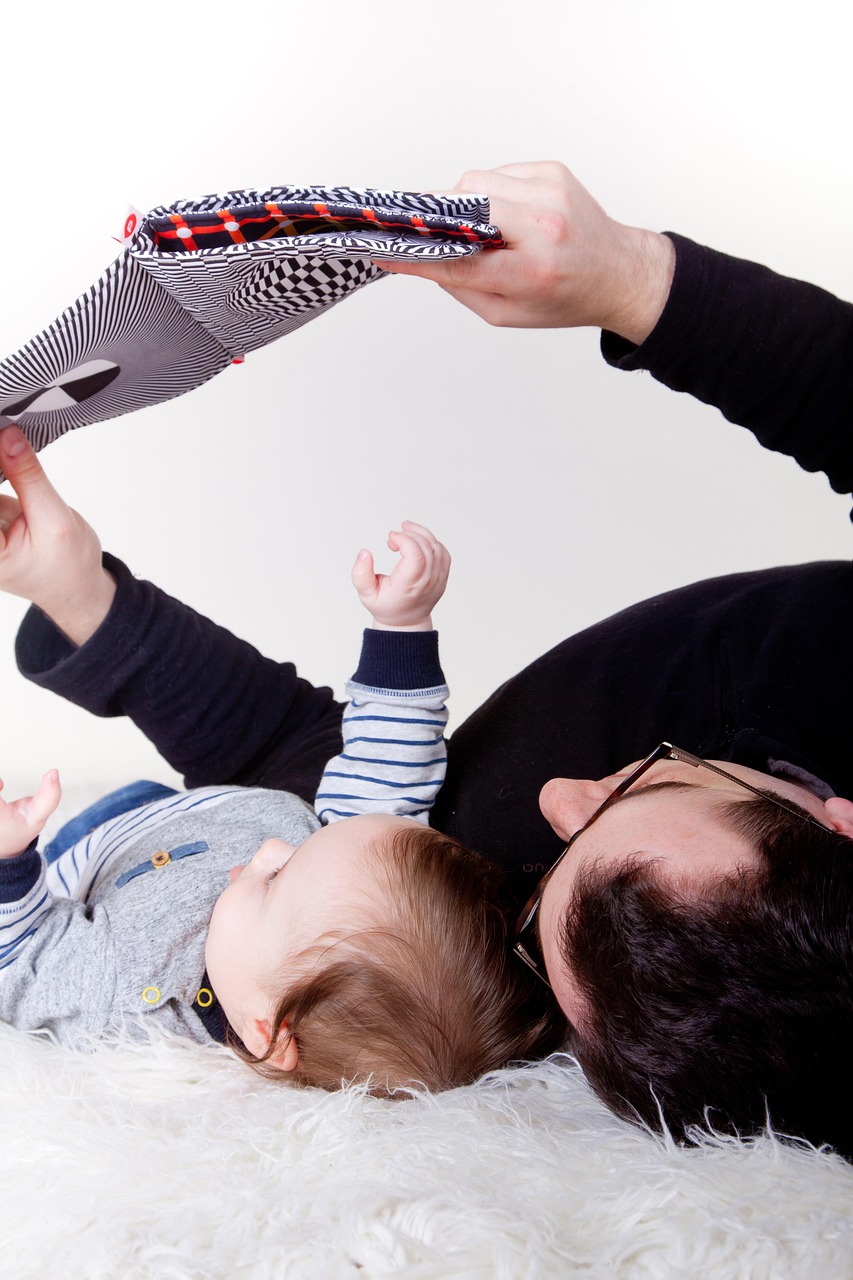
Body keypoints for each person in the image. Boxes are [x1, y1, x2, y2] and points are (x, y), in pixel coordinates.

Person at [377, 161, 853, 1156]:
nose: (559, 797)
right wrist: (630, 280)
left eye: (538, 908)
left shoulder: (518, 872)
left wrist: (78, 592)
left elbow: (341, 801)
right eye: (649, 781)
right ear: (838, 820)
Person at [0, 425, 565, 1093]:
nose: (274, 848)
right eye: (301, 850)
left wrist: (13, 865)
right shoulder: (346, 890)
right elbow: (392, 765)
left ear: (269, 1034)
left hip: (75, 874)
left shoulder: (126, 998)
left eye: (274, 881)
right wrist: (403, 626)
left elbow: (25, 966)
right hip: (176, 817)